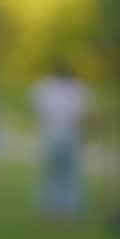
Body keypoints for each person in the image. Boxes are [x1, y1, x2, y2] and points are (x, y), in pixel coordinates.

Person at [31, 60, 93, 219]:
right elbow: (84, 117)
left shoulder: (46, 88)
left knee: (54, 174)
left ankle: (54, 208)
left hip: (54, 136)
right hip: (67, 135)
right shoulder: (77, 89)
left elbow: (39, 112)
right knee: (66, 175)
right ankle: (65, 209)